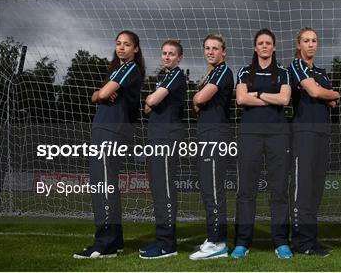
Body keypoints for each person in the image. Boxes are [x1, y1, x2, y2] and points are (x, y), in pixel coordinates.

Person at [74, 30, 145, 259]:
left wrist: (101, 93)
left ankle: (104, 243)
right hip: (107, 130)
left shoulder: (129, 68)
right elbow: (99, 95)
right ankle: (115, 239)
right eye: (118, 44)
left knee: (103, 184)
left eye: (127, 44)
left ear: (136, 48)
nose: (121, 47)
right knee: (107, 184)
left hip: (111, 131)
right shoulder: (117, 70)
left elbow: (103, 93)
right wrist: (101, 93)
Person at [231, 29, 292, 259]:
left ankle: (280, 241)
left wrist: (257, 94)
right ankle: (243, 241)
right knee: (246, 190)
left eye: (268, 43)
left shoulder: (283, 72)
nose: (264, 46)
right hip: (250, 135)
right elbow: (240, 99)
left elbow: (284, 100)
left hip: (278, 135)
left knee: (279, 190)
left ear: (274, 47)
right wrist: (269, 97)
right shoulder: (245, 71)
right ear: (255, 47)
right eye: (260, 43)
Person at [288, 27, 340, 257]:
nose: (311, 44)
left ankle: (312, 239)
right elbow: (319, 93)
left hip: (322, 132)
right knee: (303, 188)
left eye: (314, 41)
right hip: (303, 133)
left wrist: (326, 92)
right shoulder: (296, 66)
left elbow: (333, 101)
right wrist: (328, 92)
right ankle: (301, 242)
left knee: (316, 190)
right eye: (306, 41)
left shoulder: (321, 71)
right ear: (299, 45)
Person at [139, 40, 187, 259]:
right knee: (158, 190)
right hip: (156, 138)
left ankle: (168, 245)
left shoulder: (177, 75)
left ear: (179, 58)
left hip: (167, 138)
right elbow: (147, 107)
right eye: (164, 53)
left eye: (171, 54)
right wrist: (152, 99)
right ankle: (162, 240)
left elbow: (152, 100)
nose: (167, 57)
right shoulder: (164, 77)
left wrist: (153, 98)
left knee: (165, 190)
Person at [189, 34, 234, 260]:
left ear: (223, 52)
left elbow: (200, 98)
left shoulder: (223, 72)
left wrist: (198, 98)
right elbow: (197, 103)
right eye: (207, 48)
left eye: (215, 48)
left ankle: (218, 243)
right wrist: (198, 99)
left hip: (216, 134)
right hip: (205, 133)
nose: (210, 52)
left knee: (214, 188)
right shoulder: (209, 74)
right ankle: (213, 237)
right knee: (208, 188)